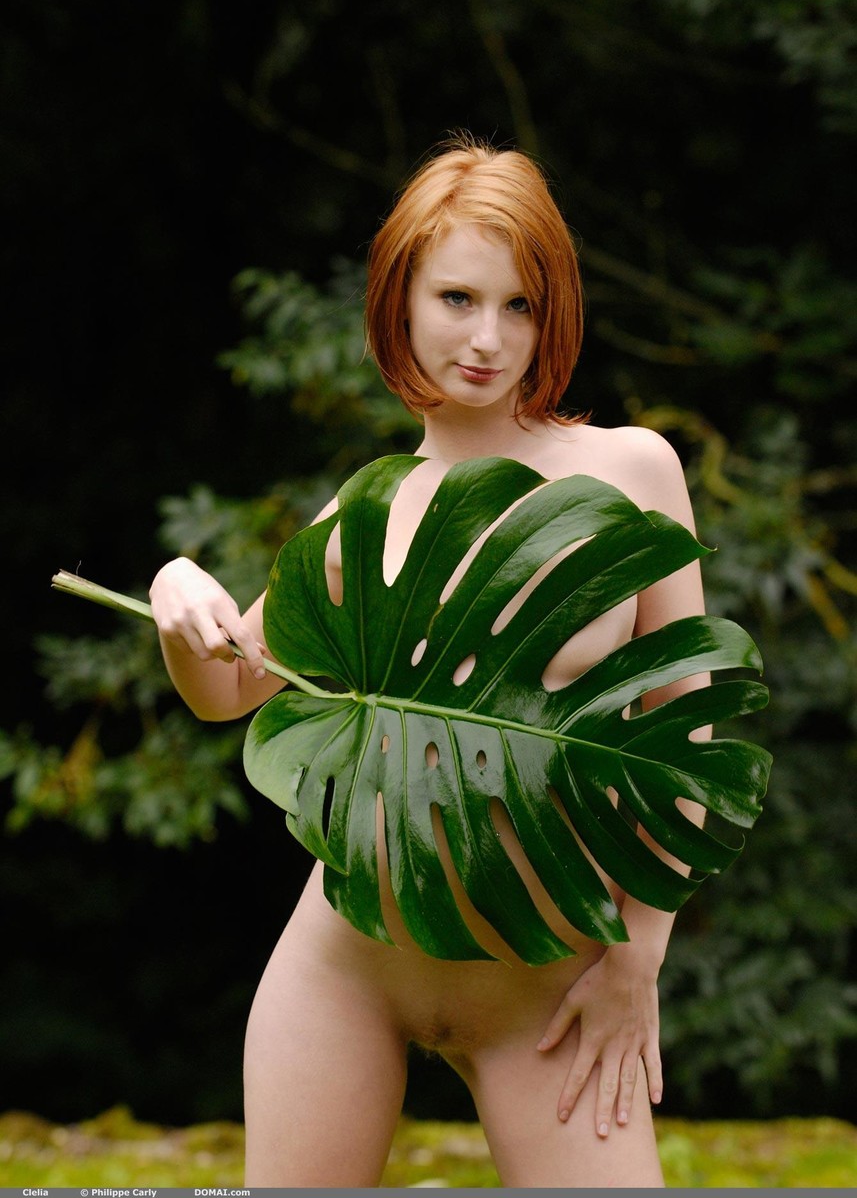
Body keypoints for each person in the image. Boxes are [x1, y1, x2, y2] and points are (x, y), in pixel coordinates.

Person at [149, 132, 709, 1188]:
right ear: (399, 300)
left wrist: (638, 957)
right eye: (456, 297)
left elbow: (689, 733)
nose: (488, 338)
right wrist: (177, 596)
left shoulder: (630, 472)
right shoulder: (364, 516)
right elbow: (226, 690)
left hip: (548, 992)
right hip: (347, 973)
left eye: (519, 305)